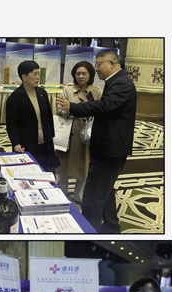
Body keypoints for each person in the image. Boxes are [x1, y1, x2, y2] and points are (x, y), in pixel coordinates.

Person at [57, 49, 137, 233]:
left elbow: (105, 106)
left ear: (112, 64)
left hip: (110, 149)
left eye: (99, 65)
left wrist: (73, 107)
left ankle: (90, 232)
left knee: (92, 196)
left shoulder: (122, 83)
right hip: (108, 147)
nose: (97, 69)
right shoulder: (114, 81)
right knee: (105, 191)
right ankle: (111, 226)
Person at [55, 61, 102, 204]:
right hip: (68, 131)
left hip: (87, 133)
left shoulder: (96, 91)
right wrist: (71, 112)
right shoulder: (68, 89)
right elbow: (59, 109)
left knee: (84, 165)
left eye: (84, 73)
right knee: (63, 163)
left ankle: (79, 196)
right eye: (78, 73)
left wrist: (81, 111)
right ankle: (61, 192)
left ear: (90, 75)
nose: (81, 76)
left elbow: (100, 111)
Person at [6, 60, 60, 172]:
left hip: (45, 144)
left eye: (38, 73)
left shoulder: (42, 93)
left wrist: (52, 137)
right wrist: (16, 144)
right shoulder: (14, 98)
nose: (38, 77)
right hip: (27, 145)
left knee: (47, 173)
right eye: (34, 74)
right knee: (29, 173)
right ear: (24, 77)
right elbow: (11, 125)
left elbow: (49, 117)